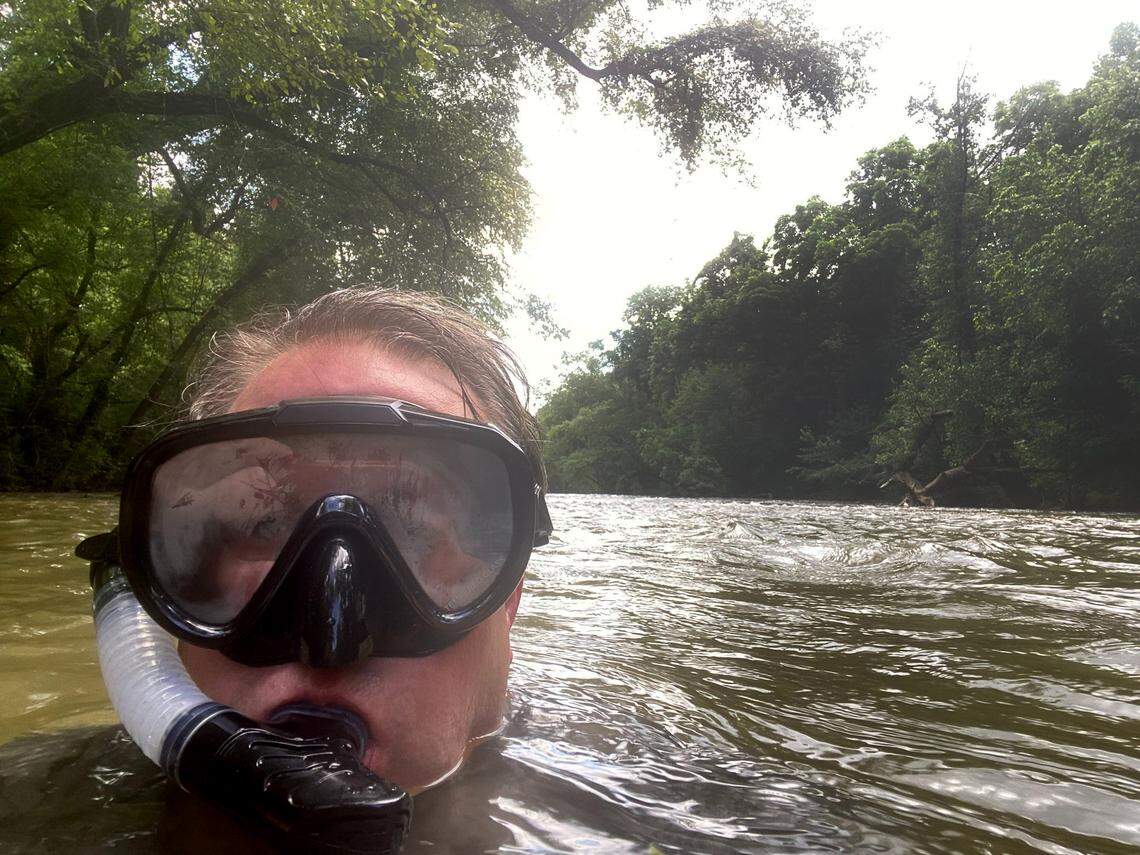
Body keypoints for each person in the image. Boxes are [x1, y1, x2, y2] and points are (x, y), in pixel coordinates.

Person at [76, 287, 553, 850]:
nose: (331, 635)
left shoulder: (640, 804)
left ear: (509, 602)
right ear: (163, 587)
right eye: (259, 526)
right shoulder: (37, 807)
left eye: (414, 527)